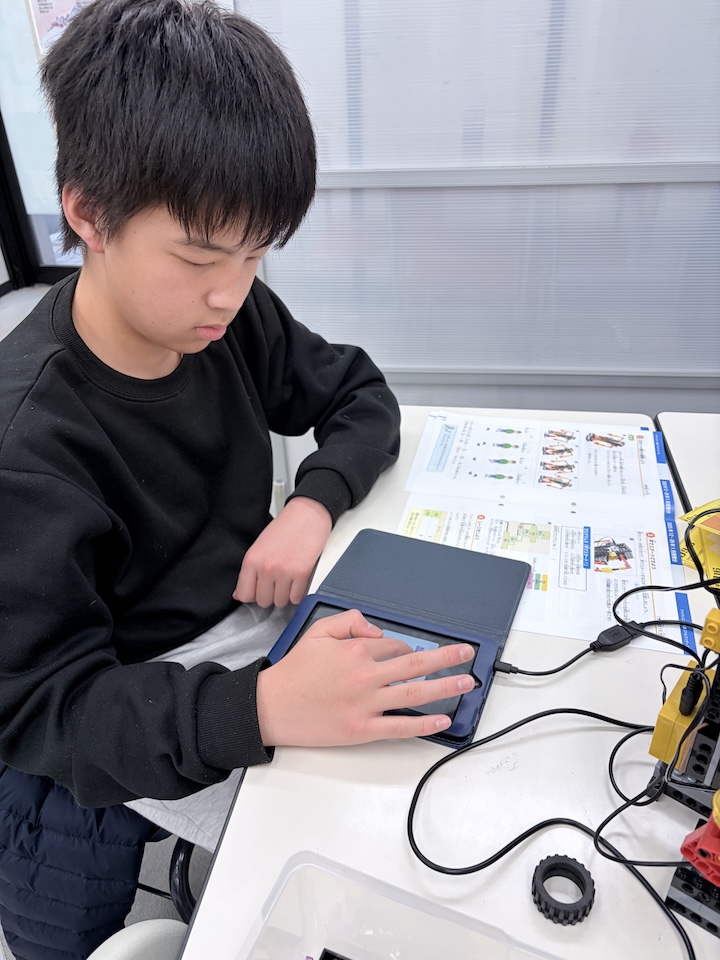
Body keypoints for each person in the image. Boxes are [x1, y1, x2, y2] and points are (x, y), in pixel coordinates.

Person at [0, 0, 474, 847]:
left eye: (256, 254)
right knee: (366, 843)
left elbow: (360, 395)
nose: (231, 291)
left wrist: (312, 505)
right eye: (198, 256)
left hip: (266, 622)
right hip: (152, 694)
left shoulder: (228, 319)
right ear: (88, 215)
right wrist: (259, 705)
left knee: (452, 743)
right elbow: (45, 710)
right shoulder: (27, 443)